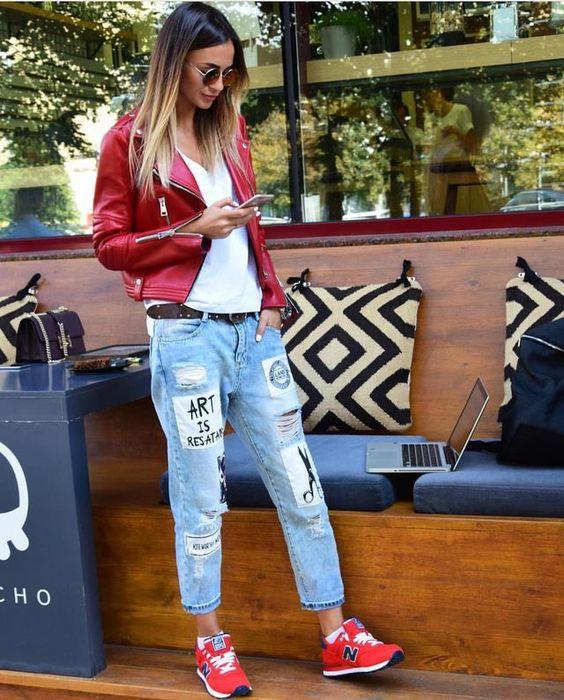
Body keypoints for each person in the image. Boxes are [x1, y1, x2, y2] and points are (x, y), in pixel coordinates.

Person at [92, 3, 404, 697]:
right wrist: (192, 230)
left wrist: (270, 296)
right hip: (187, 336)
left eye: (229, 73)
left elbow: (251, 233)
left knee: (301, 484)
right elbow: (109, 245)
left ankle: (337, 637)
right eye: (209, 71)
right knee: (201, 498)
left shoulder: (229, 130)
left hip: (254, 335)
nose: (220, 85)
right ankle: (210, 642)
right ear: (174, 63)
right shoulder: (128, 141)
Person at [423, 86, 491, 215]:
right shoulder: (432, 120)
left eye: (428, 98)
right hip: (439, 172)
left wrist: (455, 132)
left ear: (439, 94)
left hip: (458, 171)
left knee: (463, 209)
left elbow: (473, 145)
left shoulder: (460, 111)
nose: (426, 103)